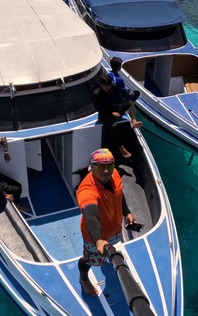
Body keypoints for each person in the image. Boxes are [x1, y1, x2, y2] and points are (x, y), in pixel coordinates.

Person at [76, 148, 138, 296]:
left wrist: (127, 212)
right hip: (97, 237)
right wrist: (98, 240)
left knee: (110, 252)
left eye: (109, 166)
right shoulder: (86, 190)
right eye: (100, 166)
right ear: (92, 166)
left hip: (116, 229)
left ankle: (106, 258)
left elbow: (119, 194)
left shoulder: (115, 174)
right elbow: (91, 216)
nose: (105, 171)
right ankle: (83, 278)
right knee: (89, 260)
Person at [92, 73, 142, 158]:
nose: (108, 87)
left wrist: (120, 108)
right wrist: (111, 113)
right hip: (104, 114)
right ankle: (121, 148)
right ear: (100, 84)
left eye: (109, 85)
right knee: (114, 126)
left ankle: (134, 122)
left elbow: (120, 99)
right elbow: (98, 109)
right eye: (106, 86)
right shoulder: (96, 94)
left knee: (130, 103)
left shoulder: (113, 87)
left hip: (113, 109)